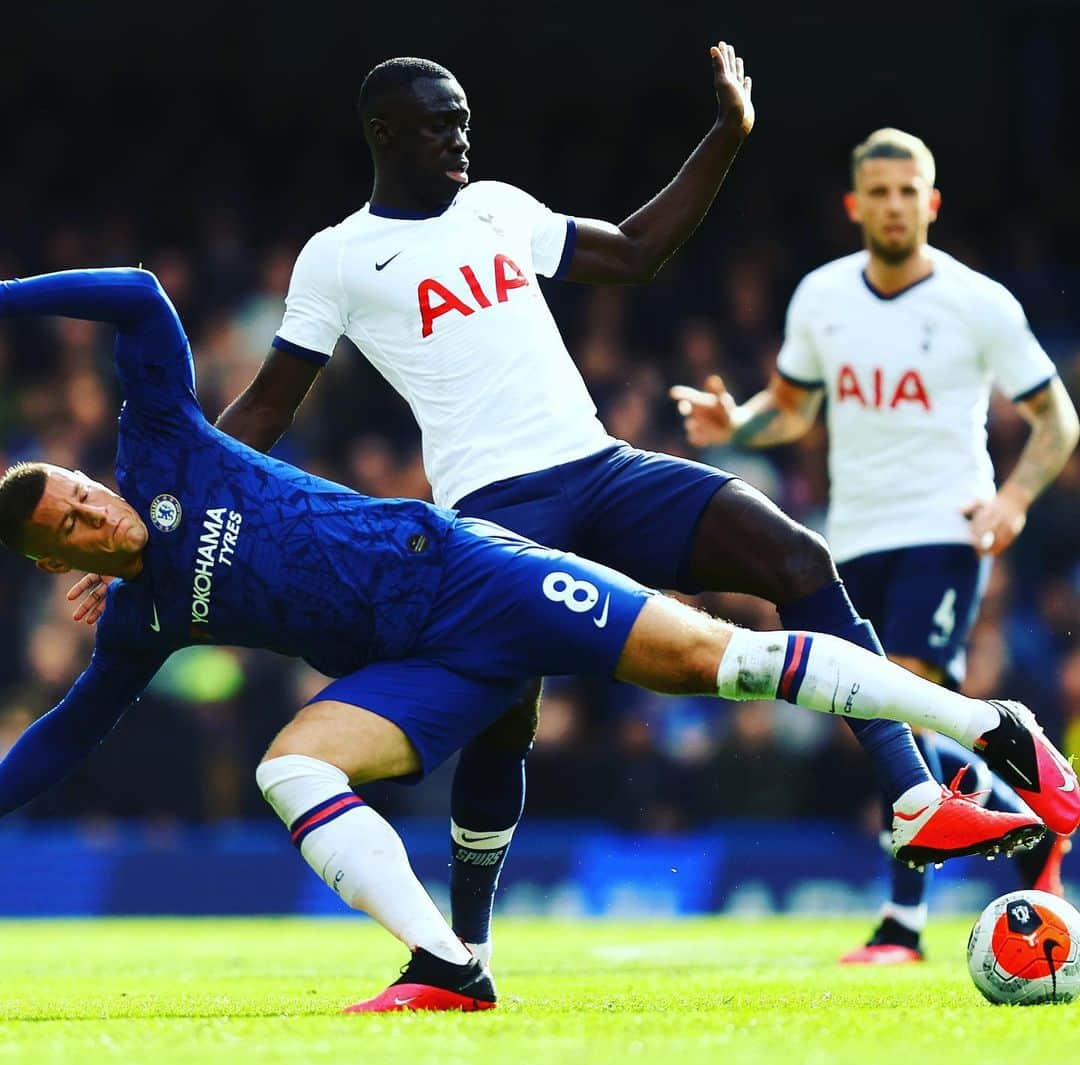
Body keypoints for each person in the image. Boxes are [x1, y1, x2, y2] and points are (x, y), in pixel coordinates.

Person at [60, 44, 1059, 965]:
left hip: (601, 466)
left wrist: (726, 136)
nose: (459, 137)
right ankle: (468, 950)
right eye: (438, 123)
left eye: (463, 120)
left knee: (794, 557)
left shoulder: (495, 203)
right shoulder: (340, 256)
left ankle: (915, 796)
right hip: (494, 512)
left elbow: (631, 252)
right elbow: (271, 404)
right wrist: (159, 524)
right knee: (509, 722)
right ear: (383, 132)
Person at [1, 267, 1076, 1011]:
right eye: (73, 529)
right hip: (418, 670)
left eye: (85, 496)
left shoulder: (160, 444)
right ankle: (446, 963)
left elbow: (138, 298)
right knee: (292, 762)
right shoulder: (136, 625)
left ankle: (991, 726)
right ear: (61, 568)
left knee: (721, 661)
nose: (98, 512)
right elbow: (61, 738)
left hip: (468, 573)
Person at [669, 127, 1080, 964]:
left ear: (931, 203)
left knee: (906, 691)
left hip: (944, 531)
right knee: (876, 712)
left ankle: (904, 924)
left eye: (909, 192)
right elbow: (793, 406)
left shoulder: (977, 302)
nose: (894, 206)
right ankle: (1030, 825)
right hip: (851, 536)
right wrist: (737, 421)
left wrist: (1014, 497)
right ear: (856, 205)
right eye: (879, 194)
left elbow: (1056, 419)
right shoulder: (822, 296)